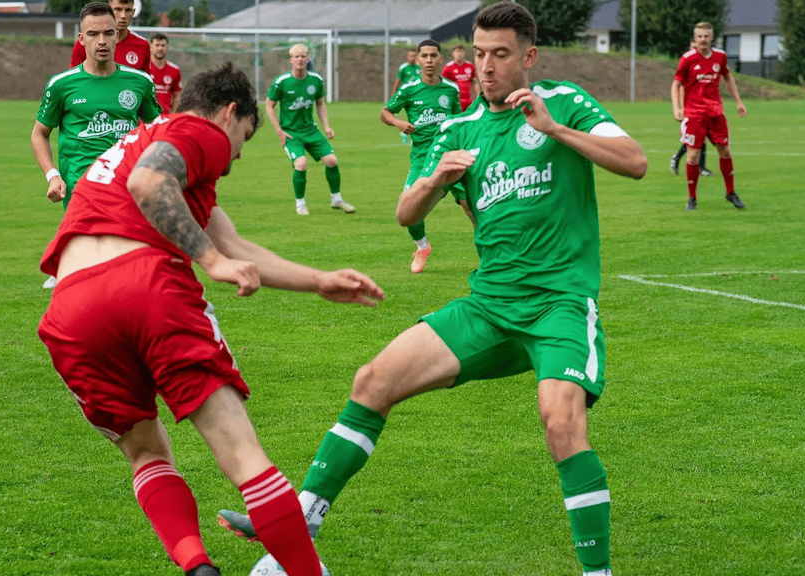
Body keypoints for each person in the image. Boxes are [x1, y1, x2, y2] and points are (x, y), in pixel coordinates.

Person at [217, 4, 648, 576]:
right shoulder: (460, 129)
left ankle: (599, 573)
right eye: (479, 54)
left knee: (560, 420)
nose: (487, 67)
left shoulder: (563, 102)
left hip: (558, 305)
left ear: (528, 57)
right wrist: (436, 181)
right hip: (489, 307)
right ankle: (298, 533)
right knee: (373, 380)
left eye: (500, 54)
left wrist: (554, 130)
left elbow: (636, 161)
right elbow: (404, 213)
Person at [37, 61, 384, 576]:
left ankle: (197, 565)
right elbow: (151, 183)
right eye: (244, 136)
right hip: (145, 285)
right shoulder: (198, 131)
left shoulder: (134, 143)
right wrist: (210, 261)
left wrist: (319, 280)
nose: (237, 154)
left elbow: (234, 243)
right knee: (243, 455)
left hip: (70, 310)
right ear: (228, 113)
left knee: (145, 453)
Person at [32, 2, 162, 212]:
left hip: (127, 190)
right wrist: (52, 175)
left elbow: (158, 132)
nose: (102, 41)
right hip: (80, 192)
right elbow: (39, 133)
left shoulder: (140, 82)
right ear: (81, 39)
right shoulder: (61, 85)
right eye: (93, 34)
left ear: (117, 36)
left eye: (108, 33)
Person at [380, 39, 461, 273]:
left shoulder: (451, 90)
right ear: (417, 59)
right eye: (424, 56)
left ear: (440, 59)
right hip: (421, 160)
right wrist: (398, 122)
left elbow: (459, 122)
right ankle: (422, 247)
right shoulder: (409, 88)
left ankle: (493, 258)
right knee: (409, 208)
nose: (428, 60)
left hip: (450, 159)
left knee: (474, 205)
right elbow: (385, 112)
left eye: (433, 56)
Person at [266, 44, 355, 215]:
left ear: (307, 59)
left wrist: (326, 126)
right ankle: (300, 204)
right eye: (296, 57)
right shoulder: (282, 82)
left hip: (311, 131)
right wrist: (279, 130)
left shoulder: (316, 80)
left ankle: (337, 199)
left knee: (331, 160)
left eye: (303, 56)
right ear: (291, 60)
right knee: (301, 164)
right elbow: (269, 106)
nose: (300, 59)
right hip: (291, 133)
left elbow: (320, 103)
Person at [671, 21, 747, 211]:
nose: (703, 40)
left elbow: (728, 77)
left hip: (715, 113)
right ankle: (692, 198)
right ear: (695, 39)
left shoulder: (720, 57)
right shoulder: (687, 59)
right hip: (694, 114)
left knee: (725, 150)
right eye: (699, 37)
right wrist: (677, 108)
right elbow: (676, 84)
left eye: (706, 36)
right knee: (693, 155)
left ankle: (730, 193)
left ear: (712, 37)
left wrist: (738, 101)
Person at [669, 42, 712, 177]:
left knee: (700, 138)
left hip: (703, 107)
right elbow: (680, 87)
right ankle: (696, 166)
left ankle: (698, 167)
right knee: (694, 139)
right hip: (690, 109)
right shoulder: (688, 64)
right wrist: (682, 108)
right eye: (693, 47)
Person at [69, 0, 149, 71]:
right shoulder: (85, 43)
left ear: (133, 12)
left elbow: (144, 83)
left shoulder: (143, 45)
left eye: (128, 10)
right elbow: (74, 78)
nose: (123, 16)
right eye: (118, 9)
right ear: (109, 11)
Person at [148, 32, 182, 113]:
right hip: (146, 119)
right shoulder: (143, 68)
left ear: (167, 47)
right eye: (157, 45)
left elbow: (177, 96)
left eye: (163, 46)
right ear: (150, 47)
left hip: (165, 118)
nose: (160, 48)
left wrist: (172, 115)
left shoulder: (175, 70)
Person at [441, 44, 480, 111]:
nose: (459, 54)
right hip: (455, 100)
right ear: (453, 54)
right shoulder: (448, 67)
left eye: (461, 52)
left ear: (464, 53)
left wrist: (478, 96)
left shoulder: (470, 66)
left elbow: (474, 82)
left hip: (468, 101)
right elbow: (443, 84)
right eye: (457, 52)